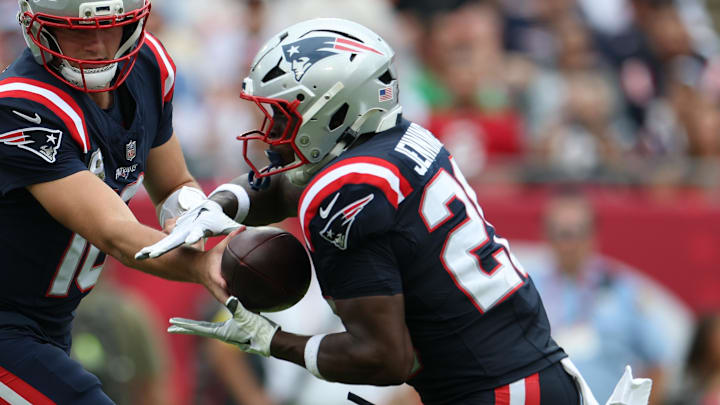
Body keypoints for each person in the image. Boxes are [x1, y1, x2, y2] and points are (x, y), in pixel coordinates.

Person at [138, 18, 638, 405]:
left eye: (282, 114)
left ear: (331, 111)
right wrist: (219, 204)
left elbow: (384, 357)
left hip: (499, 391)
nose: (269, 132)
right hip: (526, 376)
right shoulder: (401, 140)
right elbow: (288, 184)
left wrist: (272, 342)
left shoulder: (343, 190)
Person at [0, 1, 231, 403]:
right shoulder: (22, 106)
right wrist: (208, 267)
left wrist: (190, 218)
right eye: (79, 30)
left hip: (49, 324)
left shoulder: (147, 66)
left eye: (112, 27)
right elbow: (115, 232)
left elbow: (175, 182)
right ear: (37, 27)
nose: (100, 45)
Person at [530, 189, 669, 405]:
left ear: (593, 235)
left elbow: (657, 362)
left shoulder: (622, 288)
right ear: (546, 235)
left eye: (577, 232)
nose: (569, 244)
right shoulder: (530, 289)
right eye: (562, 233)